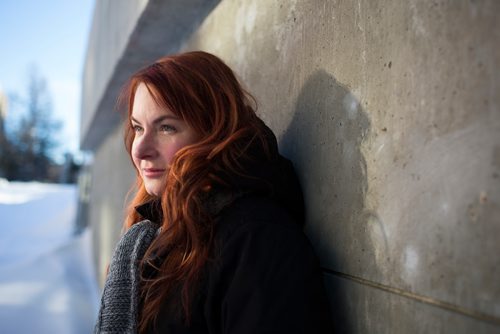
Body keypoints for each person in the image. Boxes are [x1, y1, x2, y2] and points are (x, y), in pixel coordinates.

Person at [94, 51, 333, 333]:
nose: (141, 149)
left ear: (213, 132)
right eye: (138, 128)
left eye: (166, 127)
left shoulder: (256, 240)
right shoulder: (150, 235)